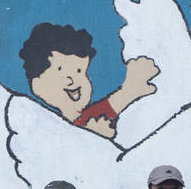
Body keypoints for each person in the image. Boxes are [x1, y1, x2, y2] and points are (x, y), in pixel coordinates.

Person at [20, 22, 158, 138]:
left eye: (79, 71)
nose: (73, 80)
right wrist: (93, 135)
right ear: (37, 84)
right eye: (60, 71)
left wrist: (130, 90)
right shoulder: (47, 126)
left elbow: (105, 108)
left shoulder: (84, 118)